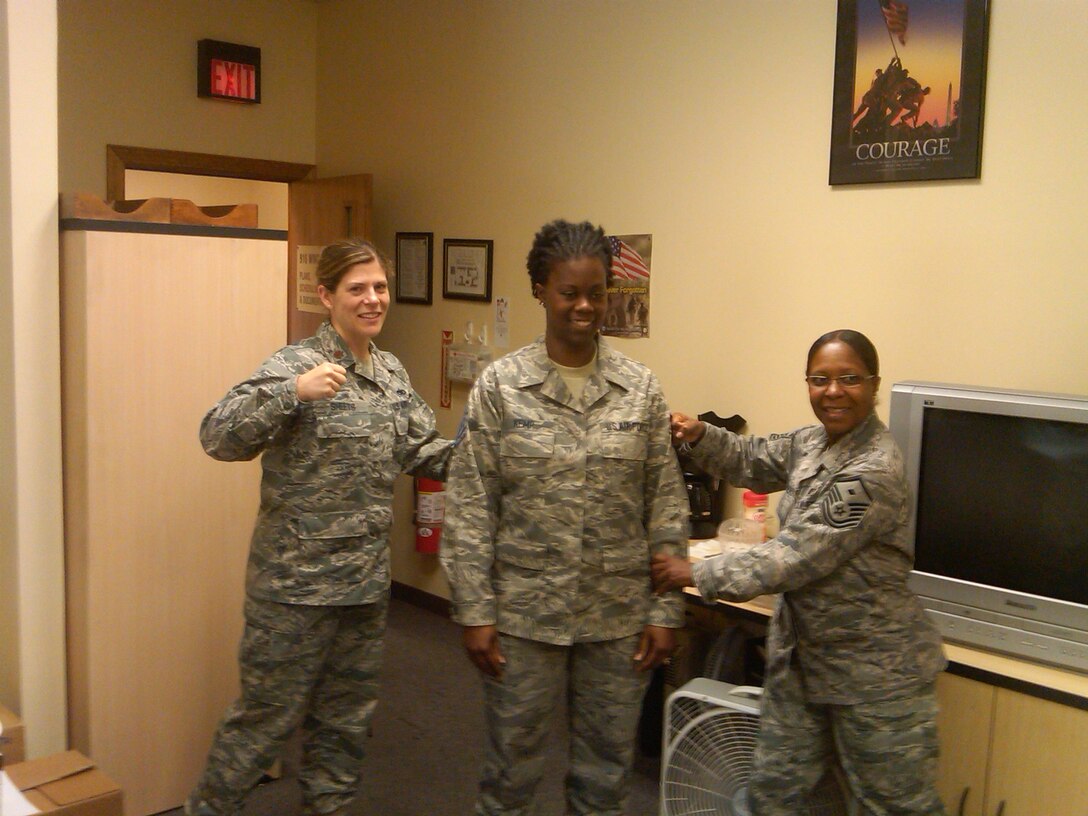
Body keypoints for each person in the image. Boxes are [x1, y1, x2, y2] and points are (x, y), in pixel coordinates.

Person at [186, 238, 452, 816]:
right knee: (263, 723)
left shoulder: (390, 371)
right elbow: (217, 435)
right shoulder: (295, 365)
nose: (373, 299)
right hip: (295, 588)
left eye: (380, 287)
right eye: (357, 288)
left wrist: (491, 450)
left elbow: (421, 450)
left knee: (346, 721)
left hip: (363, 586)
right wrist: (292, 394)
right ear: (326, 296)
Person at [440, 219, 689, 816]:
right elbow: (471, 504)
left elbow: (665, 503)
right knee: (511, 774)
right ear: (541, 291)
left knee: (606, 778)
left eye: (596, 293)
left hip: (616, 620)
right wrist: (475, 610)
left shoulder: (639, 389)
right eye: (569, 293)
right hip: (524, 618)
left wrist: (665, 611)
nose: (584, 306)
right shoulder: (501, 387)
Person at [652, 329, 947, 816]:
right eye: (820, 379)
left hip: (875, 675)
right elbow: (751, 459)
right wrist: (700, 435)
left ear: (874, 384)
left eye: (849, 378)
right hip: (803, 664)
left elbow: (795, 555)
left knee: (892, 805)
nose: (833, 391)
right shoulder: (812, 442)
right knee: (774, 796)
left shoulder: (873, 470)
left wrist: (695, 572)